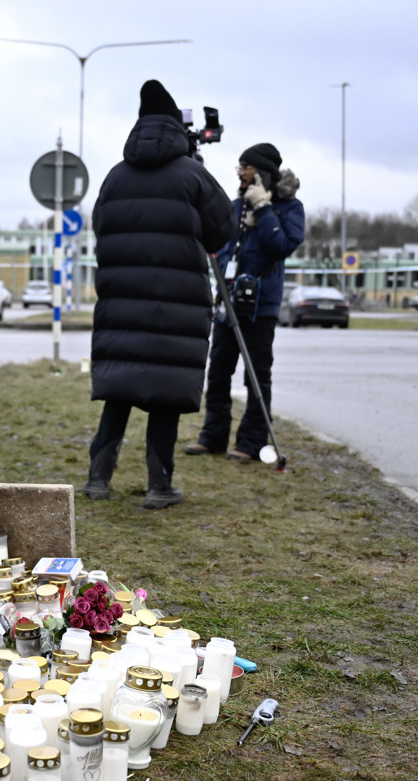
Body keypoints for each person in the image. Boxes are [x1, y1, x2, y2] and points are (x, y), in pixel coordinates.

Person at [83, 80, 234, 509]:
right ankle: (158, 485)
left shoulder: (115, 176)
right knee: (164, 394)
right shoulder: (193, 176)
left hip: (121, 303)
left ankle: (98, 478)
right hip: (177, 306)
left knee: (119, 390)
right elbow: (221, 231)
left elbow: (101, 228)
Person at [186, 144, 305, 462]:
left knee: (256, 375)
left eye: (245, 167)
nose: (239, 173)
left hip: (261, 305)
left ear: (262, 172)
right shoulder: (235, 205)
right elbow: (221, 244)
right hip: (228, 301)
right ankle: (212, 437)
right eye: (239, 167)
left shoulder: (289, 209)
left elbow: (281, 246)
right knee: (218, 372)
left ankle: (251, 443)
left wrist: (265, 211)